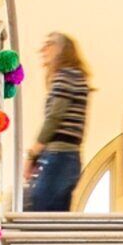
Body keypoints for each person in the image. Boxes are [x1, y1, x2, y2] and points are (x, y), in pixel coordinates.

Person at [24, 33, 88, 212]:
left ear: (61, 49)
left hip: (60, 156)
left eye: (49, 44)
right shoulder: (76, 77)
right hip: (67, 157)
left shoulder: (66, 76)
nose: (43, 50)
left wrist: (33, 154)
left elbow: (54, 117)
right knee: (55, 216)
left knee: (39, 212)